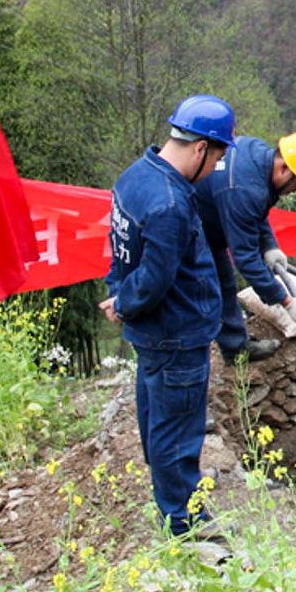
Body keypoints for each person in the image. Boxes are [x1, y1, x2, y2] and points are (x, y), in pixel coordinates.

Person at [103, 95, 232, 535]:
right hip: (176, 333)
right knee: (177, 431)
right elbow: (155, 278)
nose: (215, 168)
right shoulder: (170, 205)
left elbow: (121, 251)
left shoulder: (134, 178)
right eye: (216, 158)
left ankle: (171, 502)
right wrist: (123, 303)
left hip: (155, 333)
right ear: (201, 149)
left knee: (158, 419)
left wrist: (117, 293)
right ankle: (184, 523)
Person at [196, 128, 296, 360]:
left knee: (224, 283)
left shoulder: (257, 153)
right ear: (284, 169)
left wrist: (269, 245)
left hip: (208, 219)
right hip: (188, 227)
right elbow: (246, 260)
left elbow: (255, 212)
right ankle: (208, 354)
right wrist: (286, 302)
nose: (294, 193)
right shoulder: (244, 189)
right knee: (207, 285)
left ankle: (236, 349)